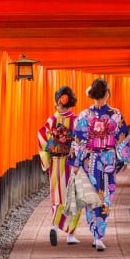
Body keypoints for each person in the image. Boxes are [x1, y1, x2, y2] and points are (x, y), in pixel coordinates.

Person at [68, 78, 130, 251]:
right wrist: (123, 158)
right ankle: (99, 235)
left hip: (90, 160)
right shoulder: (115, 114)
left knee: (92, 197)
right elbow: (122, 137)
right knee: (105, 196)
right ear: (107, 93)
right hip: (108, 160)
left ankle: (95, 232)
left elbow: (78, 140)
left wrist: (76, 162)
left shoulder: (84, 115)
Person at [37, 86, 81, 246]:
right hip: (71, 163)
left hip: (56, 162)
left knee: (57, 196)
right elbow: (80, 141)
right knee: (74, 197)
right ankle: (70, 235)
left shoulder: (52, 120)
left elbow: (41, 136)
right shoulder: (76, 120)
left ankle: (55, 226)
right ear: (71, 102)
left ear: (57, 102)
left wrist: (46, 158)